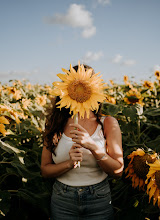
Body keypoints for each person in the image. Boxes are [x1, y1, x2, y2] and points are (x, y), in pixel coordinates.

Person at [41, 64, 124, 220]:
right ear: (65, 91)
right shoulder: (55, 124)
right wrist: (69, 163)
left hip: (98, 198)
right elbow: (45, 171)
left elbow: (118, 172)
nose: (79, 90)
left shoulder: (107, 123)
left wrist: (93, 146)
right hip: (62, 198)